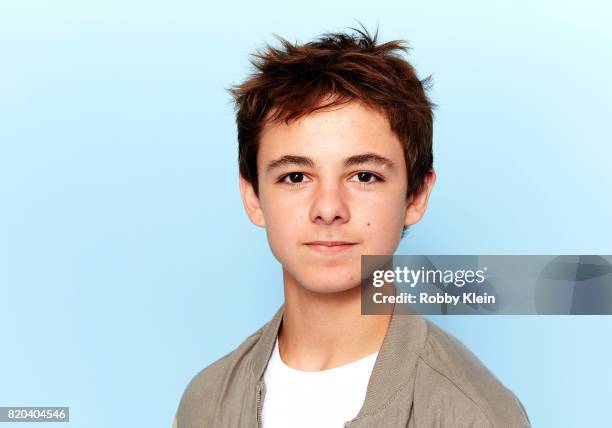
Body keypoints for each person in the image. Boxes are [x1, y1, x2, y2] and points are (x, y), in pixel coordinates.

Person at [173, 26, 531, 427]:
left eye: (363, 176)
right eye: (295, 176)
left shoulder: (473, 414)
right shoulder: (205, 403)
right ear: (253, 197)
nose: (328, 209)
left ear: (415, 196)